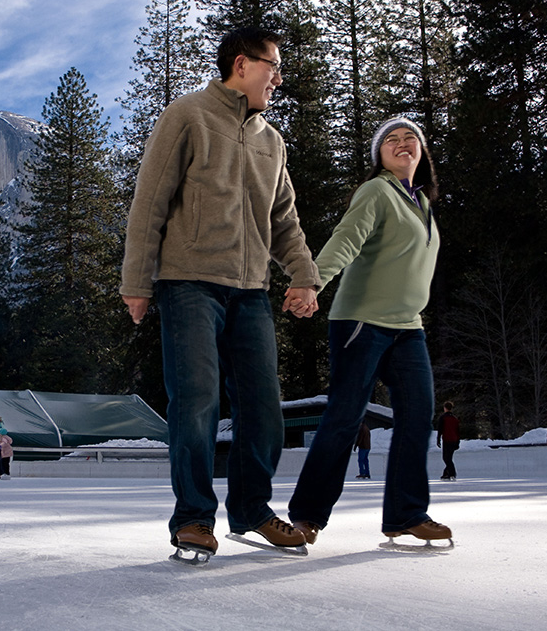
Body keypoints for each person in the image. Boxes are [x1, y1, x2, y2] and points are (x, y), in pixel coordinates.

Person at [120, 27, 321, 560]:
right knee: (198, 401)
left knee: (263, 407)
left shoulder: (270, 142)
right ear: (241, 64)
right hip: (188, 285)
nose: (278, 78)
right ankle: (192, 518)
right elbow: (150, 203)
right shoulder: (187, 115)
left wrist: (304, 274)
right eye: (273, 66)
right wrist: (137, 282)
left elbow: (285, 221)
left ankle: (253, 510)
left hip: (251, 290)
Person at [287, 117, 452, 548]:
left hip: (407, 327)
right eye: (391, 140)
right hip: (362, 321)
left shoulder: (423, 204)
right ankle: (306, 516)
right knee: (344, 417)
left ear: (421, 152)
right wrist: (312, 281)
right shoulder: (377, 191)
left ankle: (406, 514)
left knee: (418, 416)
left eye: (409, 138)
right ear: (379, 155)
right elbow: (347, 238)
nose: (401, 143)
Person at [437, 401, 460, 480]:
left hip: (447, 439)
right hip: (453, 439)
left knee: (446, 458)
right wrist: (458, 442)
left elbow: (440, 429)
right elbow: (458, 430)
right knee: (449, 458)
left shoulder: (443, 417)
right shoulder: (454, 418)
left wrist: (438, 439)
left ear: (445, 408)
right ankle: (446, 473)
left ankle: (452, 473)